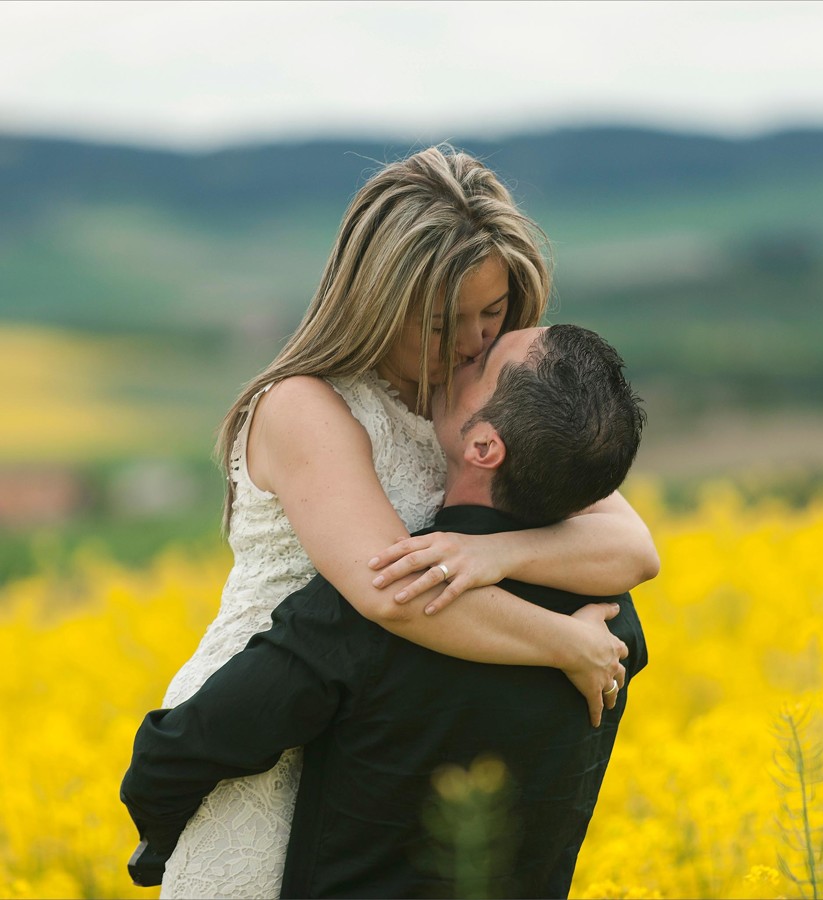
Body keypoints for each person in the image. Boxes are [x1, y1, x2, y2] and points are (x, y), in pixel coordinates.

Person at [151, 145, 660, 898]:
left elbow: (629, 547)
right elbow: (391, 592)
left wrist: (494, 555)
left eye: (493, 313)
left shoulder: (482, 406)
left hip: (380, 754)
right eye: (441, 323)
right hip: (264, 746)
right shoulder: (306, 406)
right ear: (374, 301)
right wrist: (567, 644)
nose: (472, 342)